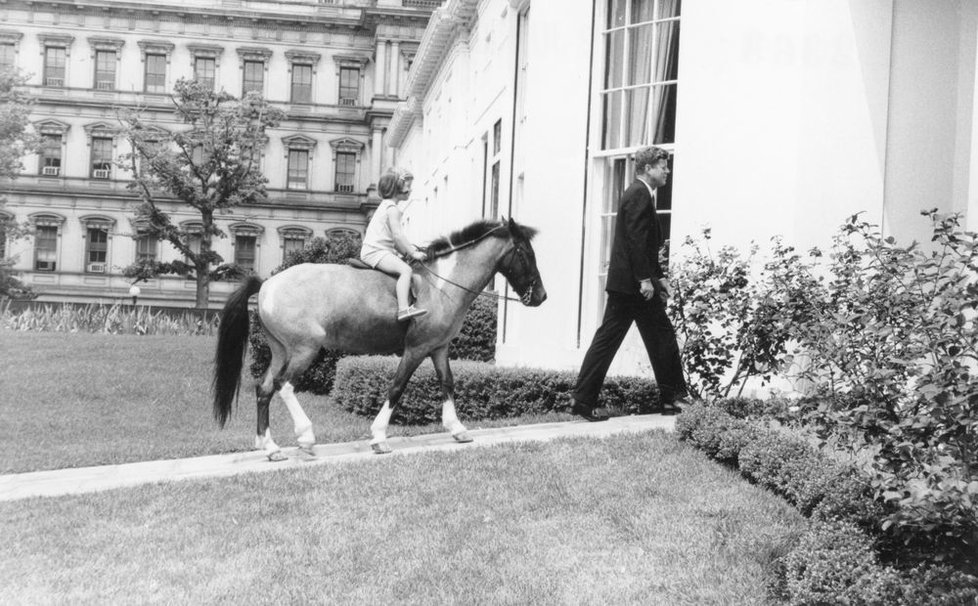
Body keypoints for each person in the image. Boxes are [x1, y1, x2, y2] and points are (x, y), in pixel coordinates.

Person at [571, 145, 690, 421]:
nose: (667, 171)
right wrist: (645, 280)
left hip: (632, 286)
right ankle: (672, 399)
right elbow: (635, 240)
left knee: (654, 337)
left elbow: (645, 246)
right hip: (633, 288)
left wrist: (659, 277)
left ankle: (670, 399)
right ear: (648, 169)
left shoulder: (642, 194)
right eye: (663, 166)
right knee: (653, 338)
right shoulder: (638, 193)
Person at [360, 168, 429, 321]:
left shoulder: (386, 205)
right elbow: (398, 236)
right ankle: (403, 309)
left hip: (377, 249)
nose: (410, 190)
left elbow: (393, 240)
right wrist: (413, 253)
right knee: (406, 270)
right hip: (376, 251)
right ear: (398, 188)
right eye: (408, 186)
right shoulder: (392, 208)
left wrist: (405, 252)